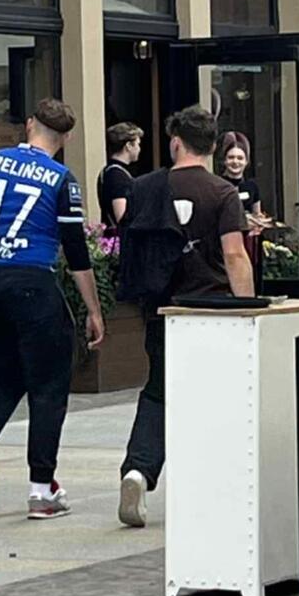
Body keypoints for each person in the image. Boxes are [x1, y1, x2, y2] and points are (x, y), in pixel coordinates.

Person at [0, 98, 106, 520]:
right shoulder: (61, 179)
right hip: (34, 280)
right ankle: (40, 489)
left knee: (3, 378)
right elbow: (76, 251)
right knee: (49, 387)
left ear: (30, 124)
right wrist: (93, 310)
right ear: (66, 138)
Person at [117, 105, 253, 529]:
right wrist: (247, 307)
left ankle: (138, 469)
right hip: (211, 307)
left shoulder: (143, 188)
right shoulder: (222, 193)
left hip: (163, 307)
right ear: (212, 147)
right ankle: (210, 484)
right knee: (216, 398)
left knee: (159, 390)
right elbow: (235, 254)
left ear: (175, 142)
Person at [218, 131, 270, 229]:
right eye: (231, 157)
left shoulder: (252, 186)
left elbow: (257, 214)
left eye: (240, 158)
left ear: (246, 161)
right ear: (224, 160)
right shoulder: (218, 185)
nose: (235, 161)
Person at [97, 122, 143, 231]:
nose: (139, 149)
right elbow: (122, 217)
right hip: (119, 238)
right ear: (128, 146)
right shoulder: (117, 176)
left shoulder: (108, 171)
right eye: (137, 144)